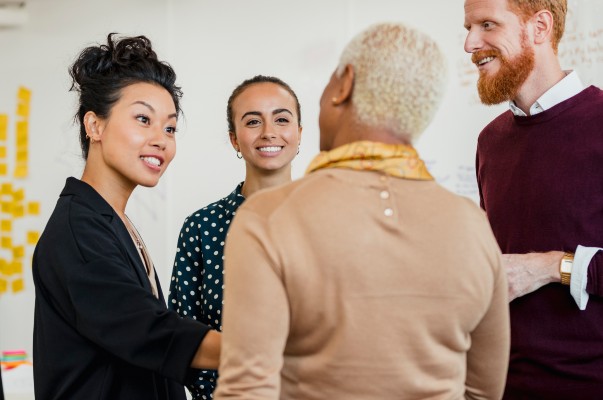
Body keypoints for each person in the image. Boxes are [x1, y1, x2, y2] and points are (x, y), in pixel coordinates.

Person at [214, 22, 510, 400]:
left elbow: (246, 391)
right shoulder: (473, 227)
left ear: (344, 84)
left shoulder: (266, 218)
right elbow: (483, 392)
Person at [32, 33, 220, 400]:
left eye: (169, 127)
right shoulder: (78, 232)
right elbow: (149, 332)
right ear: (94, 126)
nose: (161, 139)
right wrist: (271, 352)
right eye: (142, 119)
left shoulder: (109, 220)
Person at [464, 0, 603, 397]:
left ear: (539, 27)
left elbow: (528, 270)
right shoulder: (490, 141)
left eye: (487, 25)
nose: (471, 43)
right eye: (468, 28)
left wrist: (550, 267)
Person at [168, 75, 302, 399]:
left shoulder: (330, 220)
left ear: (299, 133)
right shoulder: (202, 227)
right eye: (253, 121)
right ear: (234, 139)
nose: (269, 132)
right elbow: (179, 340)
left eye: (281, 119)